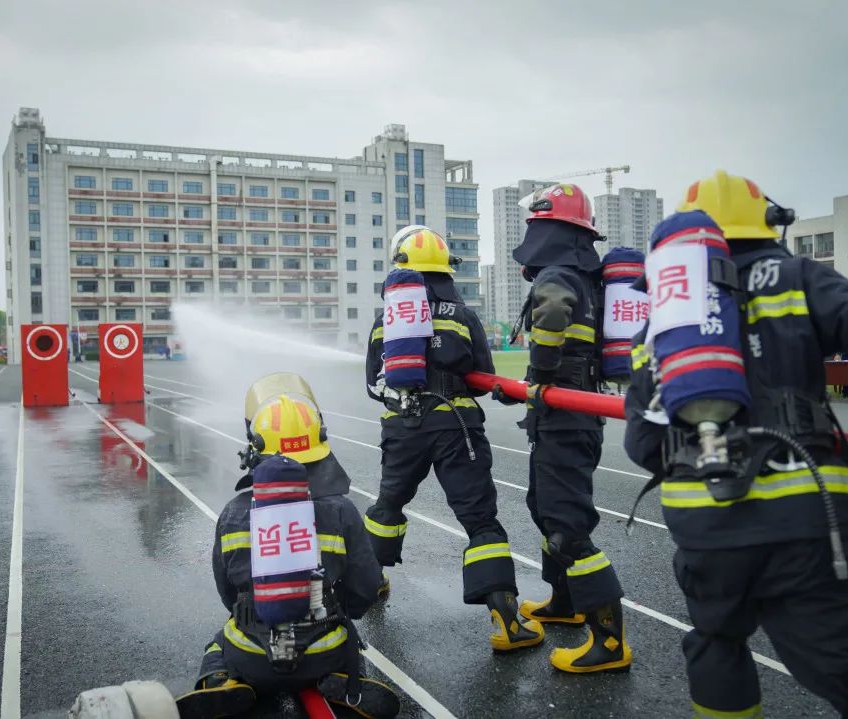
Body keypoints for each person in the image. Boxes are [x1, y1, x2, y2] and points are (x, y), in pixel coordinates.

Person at [624, 170, 848, 719]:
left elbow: (643, 443)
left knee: (717, 645)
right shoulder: (795, 275)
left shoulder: (664, 319)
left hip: (705, 526)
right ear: (766, 223)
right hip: (807, 522)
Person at [363, 225, 544, 652]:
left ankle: (369, 581)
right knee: (479, 520)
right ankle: (507, 623)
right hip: (455, 426)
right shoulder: (462, 315)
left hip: (402, 429)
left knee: (388, 505)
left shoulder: (387, 317)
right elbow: (481, 377)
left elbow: (373, 383)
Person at [176, 373, 398, 719]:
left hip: (250, 652)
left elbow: (227, 591)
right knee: (348, 647)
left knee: (219, 643)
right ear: (319, 443)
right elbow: (366, 585)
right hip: (323, 648)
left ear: (255, 449)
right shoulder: (342, 511)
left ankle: (220, 681)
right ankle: (345, 684)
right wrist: (343, 612)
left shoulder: (234, 512)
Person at [505, 184, 632, 673]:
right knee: (543, 507)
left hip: (566, 414)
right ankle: (565, 602)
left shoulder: (558, 275)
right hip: (567, 411)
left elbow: (553, 315)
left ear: (549, 229)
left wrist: (537, 375)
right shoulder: (585, 275)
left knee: (569, 528)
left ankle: (610, 641)